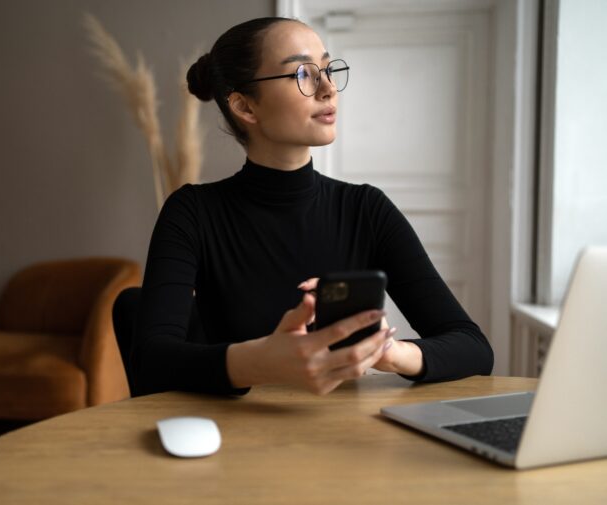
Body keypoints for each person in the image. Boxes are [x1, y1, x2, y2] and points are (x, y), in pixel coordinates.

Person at [113, 16, 493, 397]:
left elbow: (473, 348)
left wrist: (389, 352)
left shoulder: (366, 208)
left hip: (344, 438)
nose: (328, 88)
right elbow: (152, 363)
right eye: (303, 74)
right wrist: (261, 360)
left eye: (328, 69)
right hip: (233, 441)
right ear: (246, 107)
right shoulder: (192, 212)